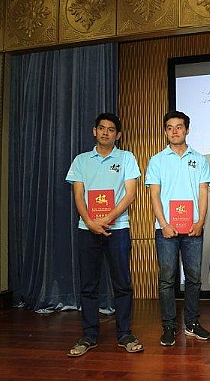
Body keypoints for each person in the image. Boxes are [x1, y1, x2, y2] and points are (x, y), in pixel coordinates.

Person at [65, 112, 143, 357]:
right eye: (101, 128)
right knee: (89, 285)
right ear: (94, 131)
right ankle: (89, 335)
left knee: (122, 284)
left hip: (117, 229)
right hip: (87, 229)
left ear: (118, 135)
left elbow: (130, 194)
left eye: (111, 129)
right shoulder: (81, 160)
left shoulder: (127, 158)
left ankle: (125, 334)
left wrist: (107, 218)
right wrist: (90, 221)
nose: (105, 132)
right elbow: (78, 195)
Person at [145, 110, 210, 346]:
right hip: (166, 230)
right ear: (165, 131)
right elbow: (154, 195)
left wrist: (200, 221)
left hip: (193, 229)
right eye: (170, 127)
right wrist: (163, 224)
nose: (175, 131)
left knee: (194, 278)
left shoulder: (200, 159)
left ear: (187, 130)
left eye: (179, 126)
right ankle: (169, 326)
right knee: (166, 280)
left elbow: (203, 192)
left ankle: (192, 323)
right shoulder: (157, 160)